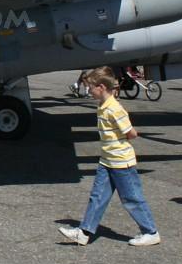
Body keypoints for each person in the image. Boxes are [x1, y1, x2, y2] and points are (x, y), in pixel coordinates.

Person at [57, 67, 161, 246]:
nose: (89, 90)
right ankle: (84, 232)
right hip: (107, 161)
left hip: (121, 162)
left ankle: (150, 232)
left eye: (91, 87)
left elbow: (131, 133)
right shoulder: (103, 106)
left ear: (102, 87)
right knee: (97, 196)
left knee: (131, 198)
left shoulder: (114, 109)